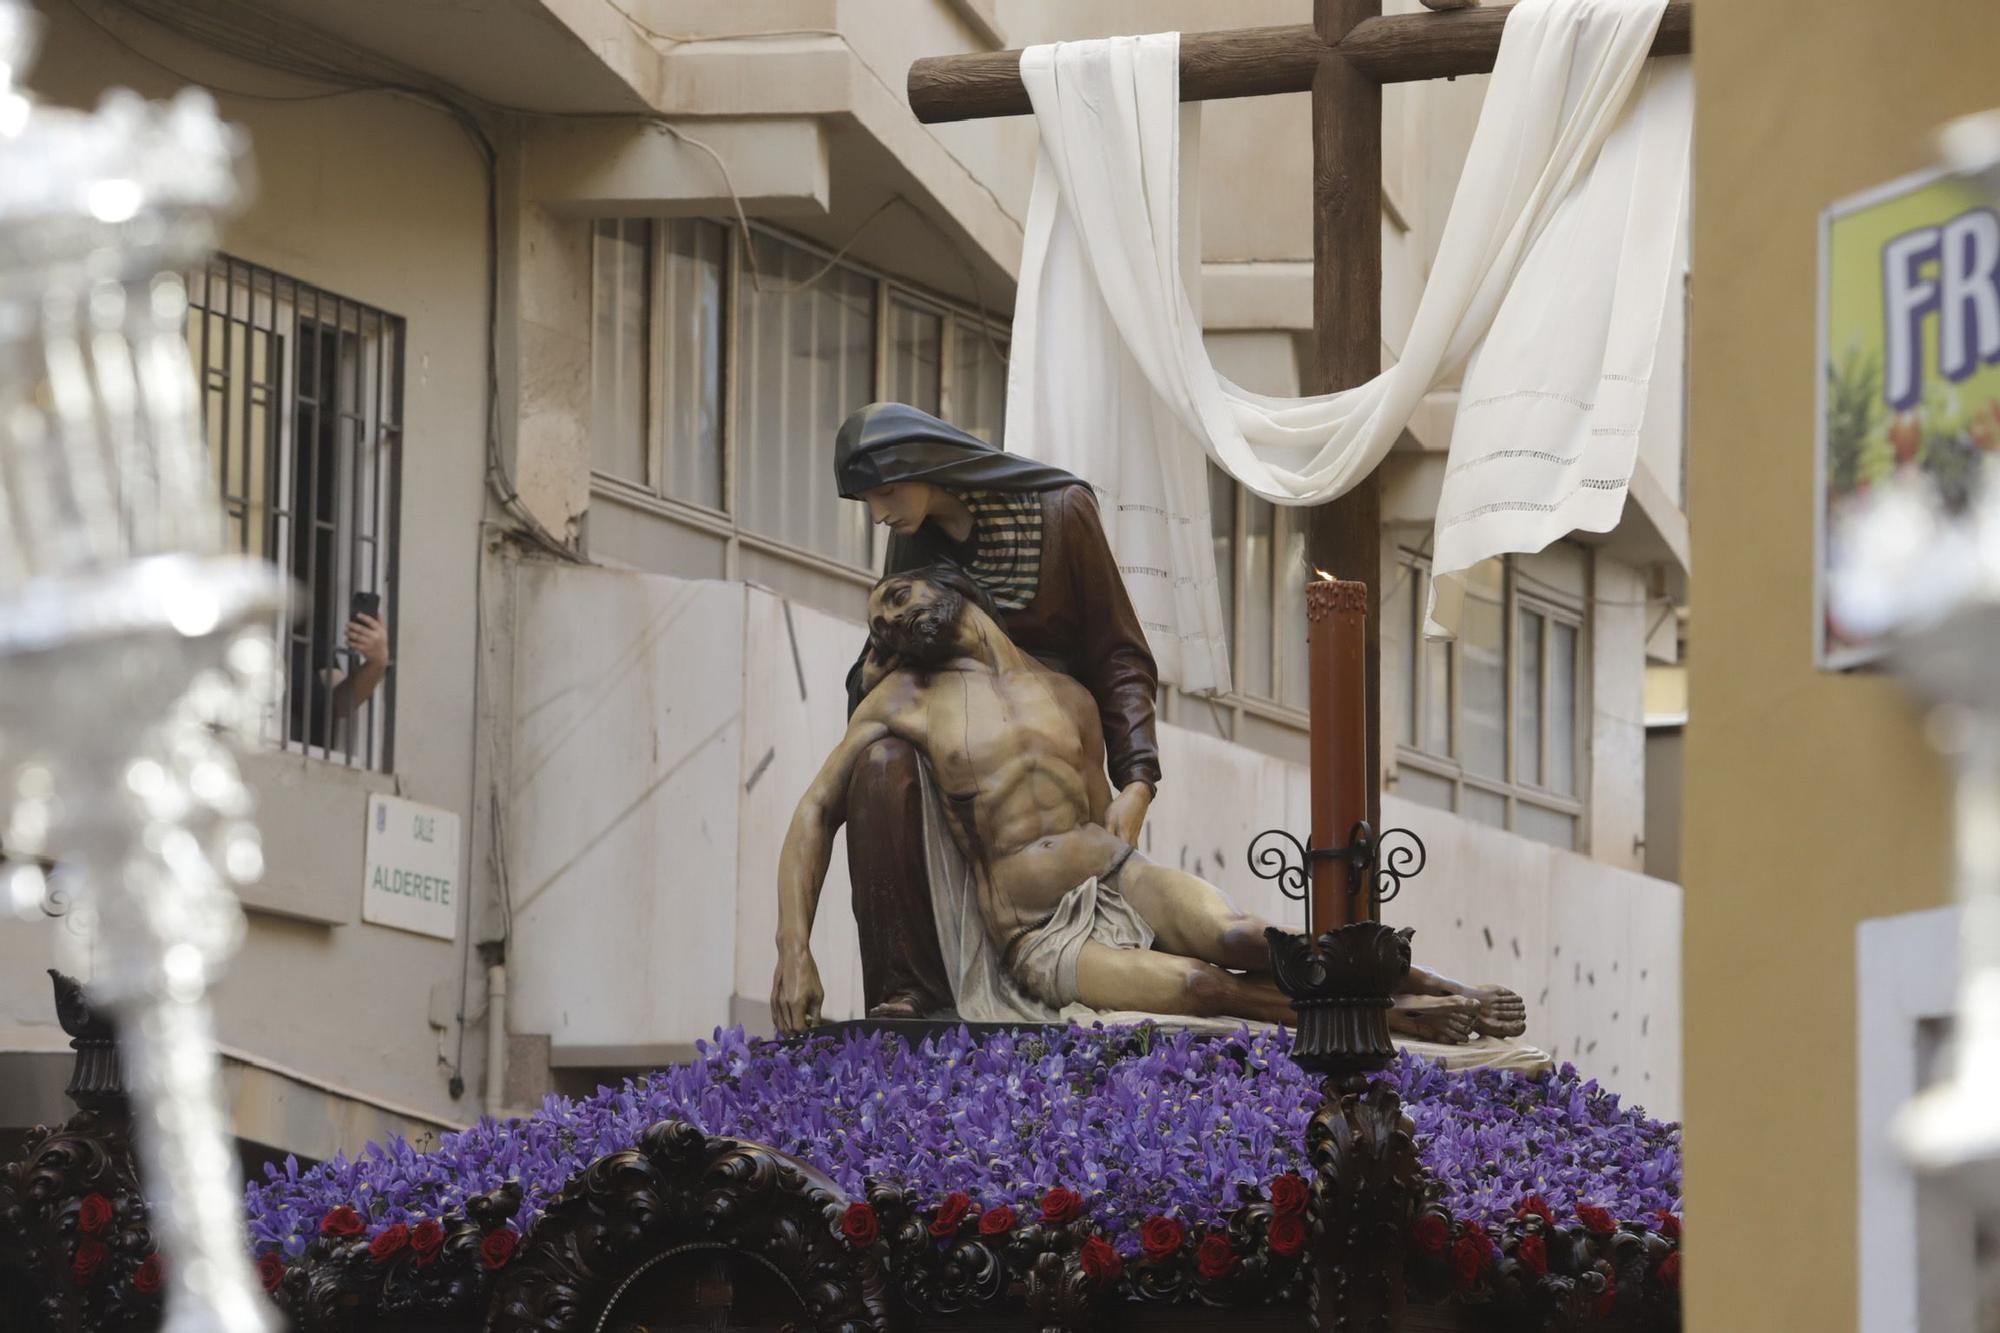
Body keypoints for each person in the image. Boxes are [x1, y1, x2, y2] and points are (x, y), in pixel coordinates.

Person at [772, 562, 1527, 1040]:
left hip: (1118, 874)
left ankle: (1441, 985)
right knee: (1199, 987)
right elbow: (813, 812)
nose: (891, 619)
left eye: (898, 595)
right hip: (1039, 934)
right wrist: (793, 951)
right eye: (879, 621)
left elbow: (1103, 808)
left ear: (952, 587)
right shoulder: (904, 699)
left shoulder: (1067, 693)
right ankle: (1397, 1021)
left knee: (1247, 937)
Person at [832, 402, 1161, 1020]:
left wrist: (1138, 778)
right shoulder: (912, 540)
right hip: (951, 729)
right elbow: (875, 663)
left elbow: (1117, 653)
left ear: (927, 463)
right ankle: (908, 992)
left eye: (887, 492)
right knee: (879, 765)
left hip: (1052, 733)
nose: (881, 514)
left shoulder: (1061, 510)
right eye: (868, 502)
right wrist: (871, 672)